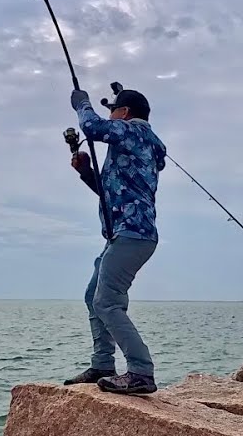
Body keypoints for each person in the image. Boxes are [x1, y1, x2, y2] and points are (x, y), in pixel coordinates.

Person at [62, 85, 166, 395]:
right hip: (126, 234)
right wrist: (86, 172)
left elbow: (92, 127)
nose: (110, 115)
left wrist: (81, 103)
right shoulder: (137, 145)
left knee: (107, 301)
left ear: (124, 113)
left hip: (132, 235)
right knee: (93, 295)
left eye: (113, 110)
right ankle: (103, 365)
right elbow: (112, 195)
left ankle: (140, 371)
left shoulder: (134, 132)